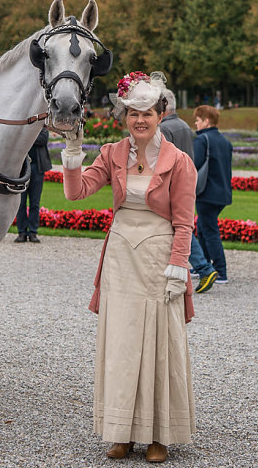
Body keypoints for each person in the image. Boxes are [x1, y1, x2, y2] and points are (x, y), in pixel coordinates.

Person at [62, 71, 196, 463]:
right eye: (133, 113)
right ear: (124, 116)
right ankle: (121, 431)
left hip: (159, 256)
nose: (140, 120)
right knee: (121, 344)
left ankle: (159, 436)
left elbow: (185, 222)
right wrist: (73, 155)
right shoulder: (112, 153)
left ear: (161, 114)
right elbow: (76, 193)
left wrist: (178, 267)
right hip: (120, 256)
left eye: (148, 113)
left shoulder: (179, 162)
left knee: (157, 345)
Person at [159, 86, 219, 294]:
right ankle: (201, 267)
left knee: (178, 228)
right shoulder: (183, 125)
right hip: (185, 182)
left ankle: (203, 267)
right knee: (183, 226)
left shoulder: (164, 129)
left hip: (171, 184)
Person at [193, 105, 233, 284]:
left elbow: (194, 165)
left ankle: (220, 270)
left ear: (206, 121)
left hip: (206, 192)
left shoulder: (202, 140)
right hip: (222, 192)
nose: (196, 123)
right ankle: (203, 264)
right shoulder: (225, 141)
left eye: (198, 120)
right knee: (202, 228)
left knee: (209, 231)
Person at [15, 127, 50, 243]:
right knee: (21, 203)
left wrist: (28, 136)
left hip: (37, 168)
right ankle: (22, 232)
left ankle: (33, 232)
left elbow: (42, 140)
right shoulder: (24, 128)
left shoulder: (42, 128)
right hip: (22, 169)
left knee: (35, 203)